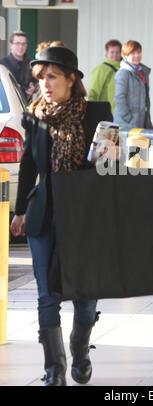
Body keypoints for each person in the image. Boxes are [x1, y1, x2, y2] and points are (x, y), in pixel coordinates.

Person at [10, 46, 113, 386]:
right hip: (45, 211)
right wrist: (21, 210)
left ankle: (79, 349)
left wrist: (111, 155)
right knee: (46, 293)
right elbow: (27, 164)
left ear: (72, 79)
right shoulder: (34, 115)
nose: (45, 84)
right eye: (41, 78)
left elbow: (110, 165)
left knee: (85, 297)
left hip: (84, 213)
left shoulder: (96, 112)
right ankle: (54, 369)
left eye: (52, 76)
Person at [113, 40, 153, 129]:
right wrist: (128, 118)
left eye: (138, 52)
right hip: (126, 124)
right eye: (132, 53)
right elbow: (119, 97)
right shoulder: (123, 73)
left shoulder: (143, 72)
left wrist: (147, 121)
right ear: (126, 55)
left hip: (142, 123)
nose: (136, 56)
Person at [0, 30, 36, 102]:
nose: (20, 47)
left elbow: (38, 83)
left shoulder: (32, 64)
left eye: (23, 44)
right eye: (17, 43)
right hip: (9, 105)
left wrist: (33, 89)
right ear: (11, 45)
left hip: (27, 105)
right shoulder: (2, 64)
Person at [88, 39, 122, 112]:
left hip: (122, 117)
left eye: (117, 52)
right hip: (107, 115)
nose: (115, 55)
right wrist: (92, 112)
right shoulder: (100, 69)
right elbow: (93, 93)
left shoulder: (125, 69)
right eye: (112, 52)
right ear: (107, 52)